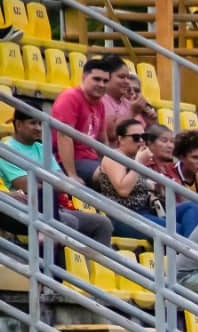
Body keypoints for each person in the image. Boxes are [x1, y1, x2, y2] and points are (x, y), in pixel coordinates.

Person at [0, 107, 115, 259]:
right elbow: (29, 186)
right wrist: (50, 179)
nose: (38, 128)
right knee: (68, 221)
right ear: (19, 124)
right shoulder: (7, 149)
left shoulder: (42, 148)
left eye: (40, 124)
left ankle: (98, 274)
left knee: (102, 224)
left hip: (50, 206)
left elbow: (61, 184)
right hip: (23, 206)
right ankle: (52, 274)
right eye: (33, 123)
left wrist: (45, 179)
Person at [91, 117, 166, 239]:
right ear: (121, 139)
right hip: (123, 216)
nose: (141, 141)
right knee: (175, 231)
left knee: (192, 207)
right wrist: (139, 163)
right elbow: (123, 190)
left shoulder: (137, 158)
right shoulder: (113, 157)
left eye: (144, 137)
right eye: (136, 137)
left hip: (145, 212)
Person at [51, 55, 112, 182]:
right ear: (84, 77)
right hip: (71, 161)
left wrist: (113, 165)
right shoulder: (70, 97)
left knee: (131, 179)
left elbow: (102, 141)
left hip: (91, 160)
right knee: (111, 179)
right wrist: (72, 175)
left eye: (105, 81)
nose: (102, 84)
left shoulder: (100, 104)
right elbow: (64, 136)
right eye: (97, 79)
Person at [101, 57, 156, 146]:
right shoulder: (100, 100)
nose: (127, 81)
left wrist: (150, 123)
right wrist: (132, 112)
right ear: (106, 77)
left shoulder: (129, 103)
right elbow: (112, 134)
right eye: (122, 77)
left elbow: (146, 140)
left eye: (127, 77)